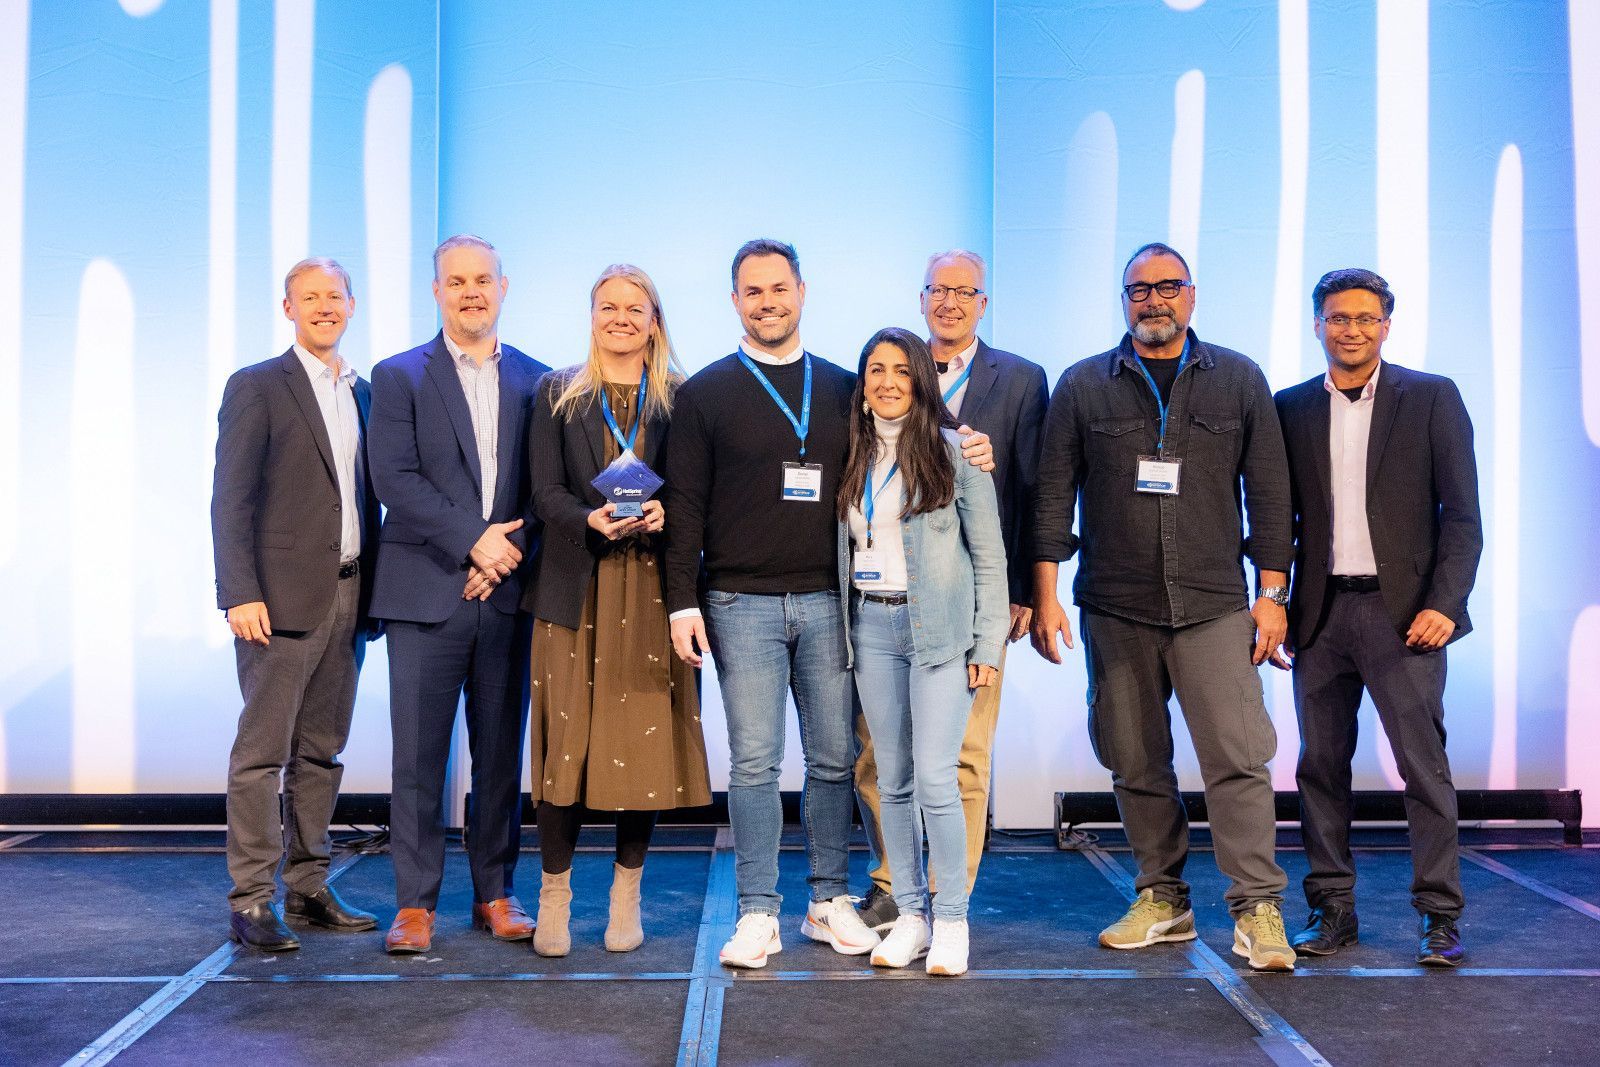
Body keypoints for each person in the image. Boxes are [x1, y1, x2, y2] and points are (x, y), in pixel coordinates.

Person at [663, 239, 994, 969]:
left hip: (828, 602)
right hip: (738, 601)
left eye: (779, 287)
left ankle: (827, 900)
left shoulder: (846, 387)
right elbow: (683, 507)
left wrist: (964, 444)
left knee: (835, 759)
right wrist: (680, 603)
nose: (768, 301)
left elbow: (908, 441)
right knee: (753, 762)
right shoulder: (704, 393)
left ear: (802, 292)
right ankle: (757, 912)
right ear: (734, 302)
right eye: (753, 291)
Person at [1031, 242, 1298, 971]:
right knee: (1135, 759)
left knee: (1239, 758)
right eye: (1139, 289)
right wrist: (1047, 593)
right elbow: (1054, 497)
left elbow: (1270, 497)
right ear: (1124, 301)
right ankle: (1163, 898)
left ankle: (1258, 907)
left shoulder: (1239, 379)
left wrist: (1272, 596)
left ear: (1192, 295)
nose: (1154, 299)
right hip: (1115, 604)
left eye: (1167, 286)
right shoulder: (1083, 384)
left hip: (1215, 603)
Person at [1274, 268, 1482, 967]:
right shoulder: (1292, 406)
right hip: (1321, 614)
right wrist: (1274, 603)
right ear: (1318, 325)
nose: (1352, 329)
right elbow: (1277, 519)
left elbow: (1463, 518)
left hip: (1407, 618)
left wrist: (1444, 605)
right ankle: (1332, 909)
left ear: (1387, 325)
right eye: (1338, 317)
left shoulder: (1431, 397)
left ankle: (1440, 917)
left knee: (1424, 769)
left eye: (1366, 318)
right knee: (1320, 768)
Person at [853, 250, 1048, 931]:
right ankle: (893, 884)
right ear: (921, 297)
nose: (950, 302)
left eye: (964, 292)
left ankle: (949, 891)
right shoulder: (877, 395)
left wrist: (1020, 592)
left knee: (960, 757)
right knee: (882, 758)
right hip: (879, 615)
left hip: (964, 606)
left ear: (983, 303)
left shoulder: (1022, 380)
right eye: (939, 289)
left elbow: (1032, 490)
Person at [523, 264, 712, 957]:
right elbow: (541, 490)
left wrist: (668, 511)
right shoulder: (555, 394)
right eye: (610, 306)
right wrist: (586, 518)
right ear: (592, 314)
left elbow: (696, 495)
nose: (622, 318)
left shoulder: (684, 399)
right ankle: (555, 895)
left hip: (655, 589)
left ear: (655, 320)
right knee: (563, 751)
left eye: (637, 308)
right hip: (576, 586)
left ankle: (625, 895)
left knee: (640, 747)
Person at [367, 235, 550, 954]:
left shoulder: (540, 380)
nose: (470, 292)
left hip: (504, 594)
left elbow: (547, 488)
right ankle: (415, 904)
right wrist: (476, 541)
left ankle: (495, 892)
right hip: (426, 592)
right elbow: (395, 479)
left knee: (500, 752)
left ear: (504, 286)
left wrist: (506, 552)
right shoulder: (398, 376)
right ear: (436, 290)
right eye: (456, 281)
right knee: (418, 758)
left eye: (482, 280)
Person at [211, 257, 382, 950]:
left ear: (351, 304)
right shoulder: (257, 386)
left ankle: (308, 885)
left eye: (333, 296)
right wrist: (239, 592)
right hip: (276, 603)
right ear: (287, 308)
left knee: (322, 752)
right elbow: (231, 499)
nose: (323, 307)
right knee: (262, 755)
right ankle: (251, 899)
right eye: (308, 297)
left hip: (350, 593)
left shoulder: (365, 391)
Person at [839, 327, 1008, 976]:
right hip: (872, 631)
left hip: (939, 632)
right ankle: (910, 915)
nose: (887, 380)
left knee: (937, 777)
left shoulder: (957, 452)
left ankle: (953, 920)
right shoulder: (850, 454)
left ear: (921, 381)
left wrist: (987, 641)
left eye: (901, 370)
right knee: (893, 780)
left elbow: (990, 560)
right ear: (861, 386)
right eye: (875, 369)